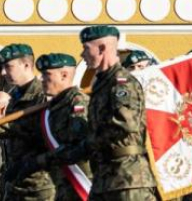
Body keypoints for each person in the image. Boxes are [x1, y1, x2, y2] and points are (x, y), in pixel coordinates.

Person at [53, 25, 157, 200]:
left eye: (86, 48)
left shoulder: (121, 83)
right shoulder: (102, 84)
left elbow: (125, 125)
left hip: (128, 179)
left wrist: (86, 145)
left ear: (102, 49)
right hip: (104, 178)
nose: (82, 54)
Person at [0, 43, 55, 200]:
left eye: (8, 66)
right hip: (14, 181)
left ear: (27, 65)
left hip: (39, 184)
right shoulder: (14, 97)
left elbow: (10, 128)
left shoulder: (42, 97)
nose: (3, 72)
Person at [21, 53, 91, 201]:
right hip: (61, 185)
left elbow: (78, 147)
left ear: (64, 75)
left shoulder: (78, 103)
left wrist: (39, 161)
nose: (42, 79)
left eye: (47, 75)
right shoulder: (52, 108)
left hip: (81, 185)